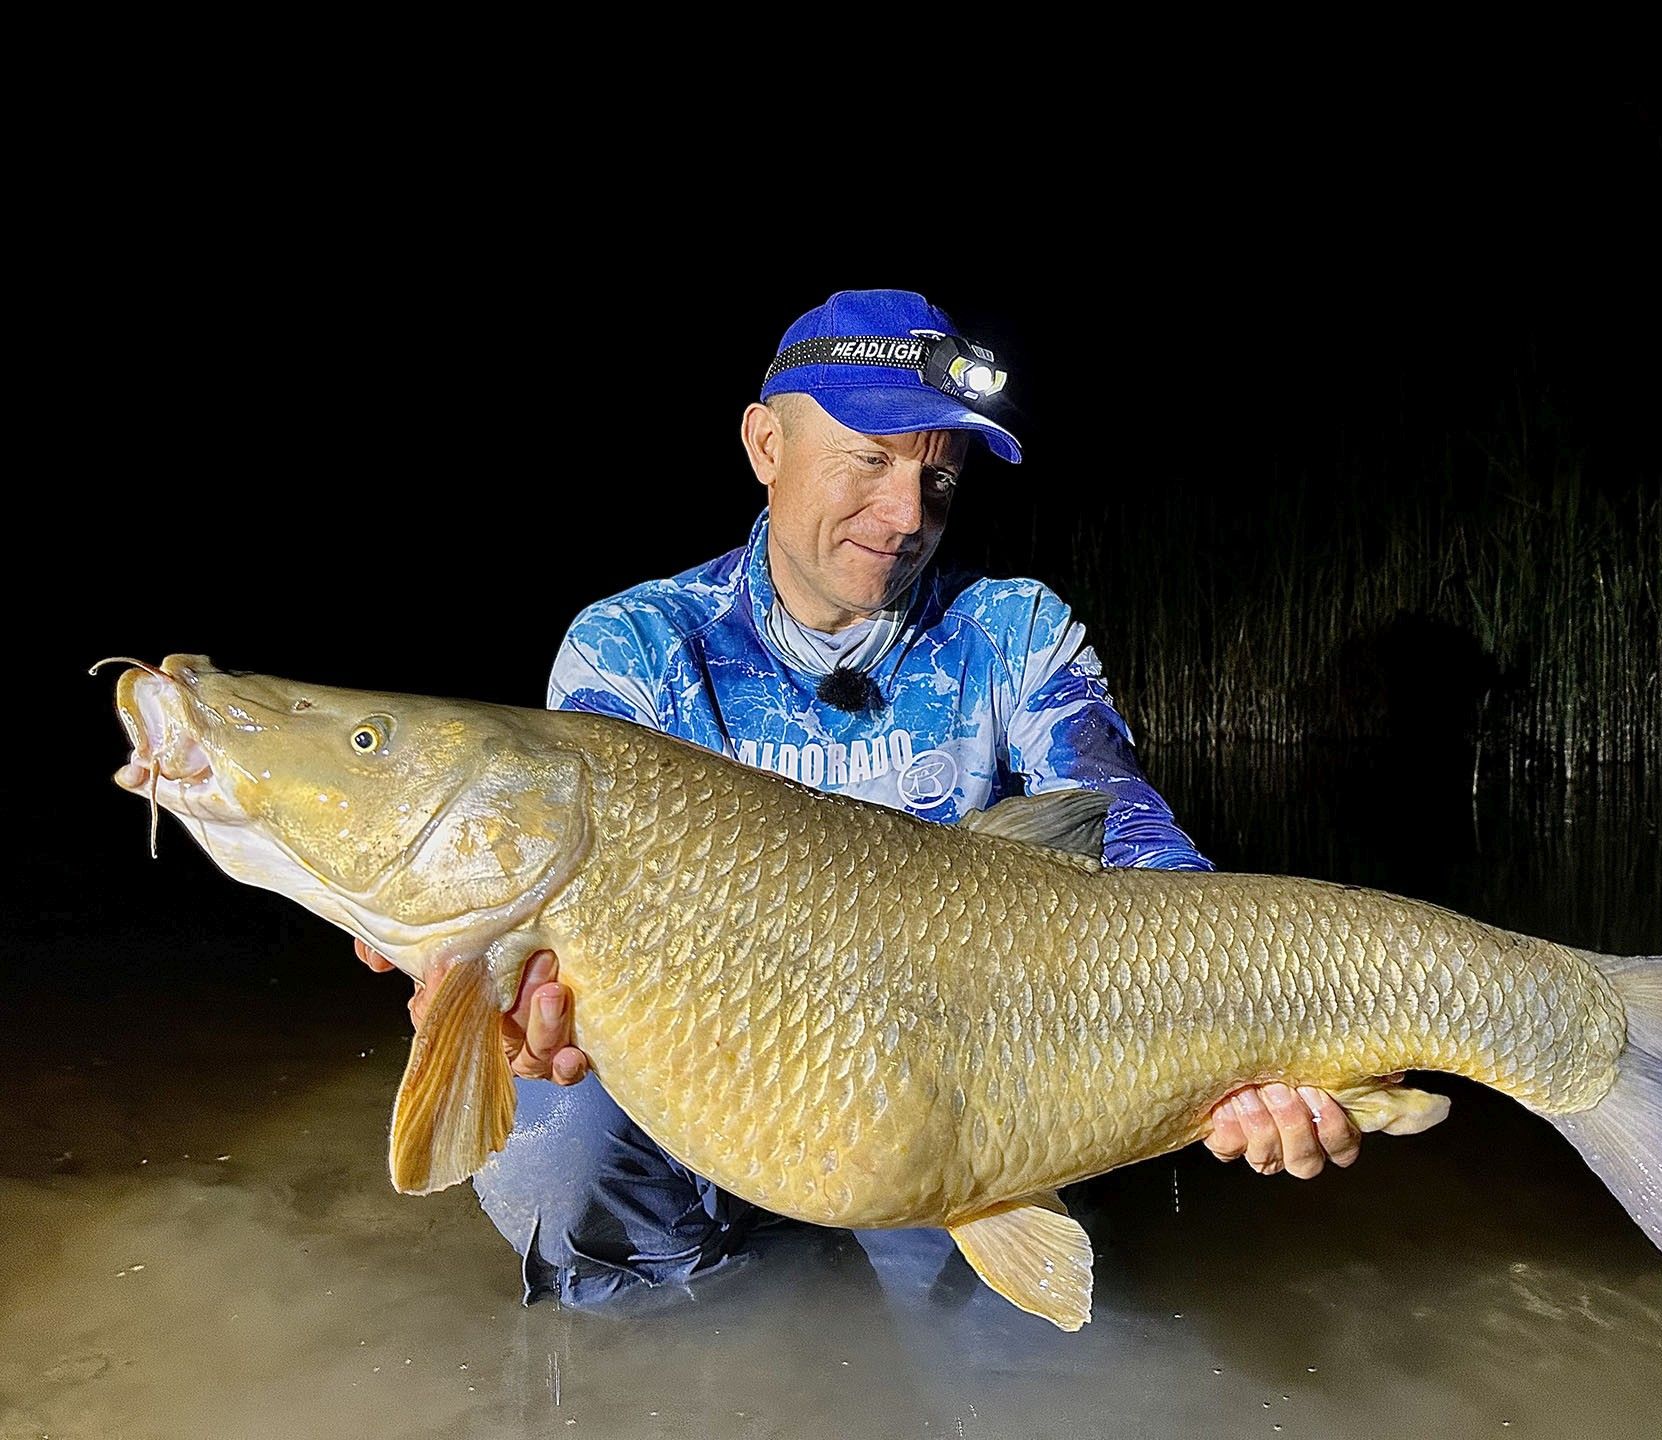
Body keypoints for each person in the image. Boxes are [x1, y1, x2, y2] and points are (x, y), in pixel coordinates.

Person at [358, 289, 1419, 1307]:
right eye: (869, 461)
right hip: (706, 1107)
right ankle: (668, 1329)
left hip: (959, 1115)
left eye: (940, 480)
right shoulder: (634, 649)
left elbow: (1134, 839)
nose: (908, 514)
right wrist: (485, 996)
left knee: (1038, 1386)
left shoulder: (1014, 632)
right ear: (765, 446)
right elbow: (531, 936)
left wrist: (1256, 1050)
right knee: (553, 1122)